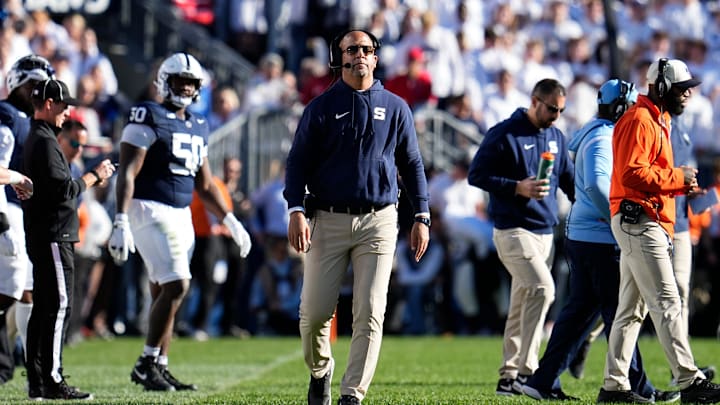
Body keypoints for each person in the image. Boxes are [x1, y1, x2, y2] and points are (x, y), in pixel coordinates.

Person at [284, 29, 430, 405]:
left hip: (380, 219)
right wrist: (295, 208)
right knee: (314, 315)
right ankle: (321, 371)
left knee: (370, 311)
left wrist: (422, 214)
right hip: (328, 218)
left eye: (367, 49)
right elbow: (297, 163)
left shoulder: (397, 106)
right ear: (340, 58)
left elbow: (411, 163)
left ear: (376, 58)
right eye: (353, 49)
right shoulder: (319, 107)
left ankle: (352, 394)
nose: (361, 54)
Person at [521, 79, 678, 403]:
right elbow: (594, 185)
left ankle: (542, 381)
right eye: (631, 106)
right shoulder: (604, 137)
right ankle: (636, 387)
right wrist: (618, 219)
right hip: (598, 239)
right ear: (621, 107)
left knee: (582, 313)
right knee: (620, 313)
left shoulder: (601, 133)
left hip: (589, 236)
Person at [108, 52, 252, 392]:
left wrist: (230, 219)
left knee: (164, 288)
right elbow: (128, 171)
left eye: (191, 83)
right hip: (148, 208)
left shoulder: (199, 124)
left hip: (181, 212)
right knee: (178, 284)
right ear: (164, 82)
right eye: (180, 81)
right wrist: (119, 219)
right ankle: (146, 362)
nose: (186, 88)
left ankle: (160, 365)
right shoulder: (148, 115)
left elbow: (205, 183)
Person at [601, 58, 720, 404]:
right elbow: (632, 174)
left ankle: (614, 387)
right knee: (667, 300)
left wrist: (680, 185)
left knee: (631, 310)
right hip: (639, 220)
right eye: (683, 90)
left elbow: (646, 174)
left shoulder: (656, 119)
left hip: (646, 220)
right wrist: (676, 179)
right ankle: (690, 381)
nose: (688, 96)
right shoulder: (640, 119)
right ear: (663, 86)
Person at [467, 78, 575, 396]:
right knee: (543, 289)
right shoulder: (505, 132)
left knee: (522, 301)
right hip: (512, 230)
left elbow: (569, 180)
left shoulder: (556, 136)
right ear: (534, 101)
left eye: (561, 110)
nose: (556, 115)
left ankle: (508, 377)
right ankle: (530, 372)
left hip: (545, 233)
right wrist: (516, 186)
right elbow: (477, 174)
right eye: (552, 108)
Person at [22, 78, 115, 400]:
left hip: (45, 232)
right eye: (63, 105)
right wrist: (95, 176)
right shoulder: (45, 140)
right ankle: (51, 378)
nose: (67, 111)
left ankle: (37, 379)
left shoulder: (41, 137)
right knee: (59, 305)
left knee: (46, 306)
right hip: (53, 234)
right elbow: (64, 191)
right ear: (49, 104)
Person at [0, 55, 55, 382]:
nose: (36, 90)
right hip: (8, 209)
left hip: (27, 213)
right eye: (31, 84)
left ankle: (27, 354)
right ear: (16, 83)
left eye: (41, 85)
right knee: (13, 285)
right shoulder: (6, 115)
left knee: (29, 286)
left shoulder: (31, 119)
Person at [669, 111, 716, 387]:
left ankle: (683, 367)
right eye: (682, 90)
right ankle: (588, 339)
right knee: (636, 299)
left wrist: (693, 191)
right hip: (657, 220)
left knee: (681, 291)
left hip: (682, 222)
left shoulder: (683, 128)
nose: (686, 97)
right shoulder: (652, 124)